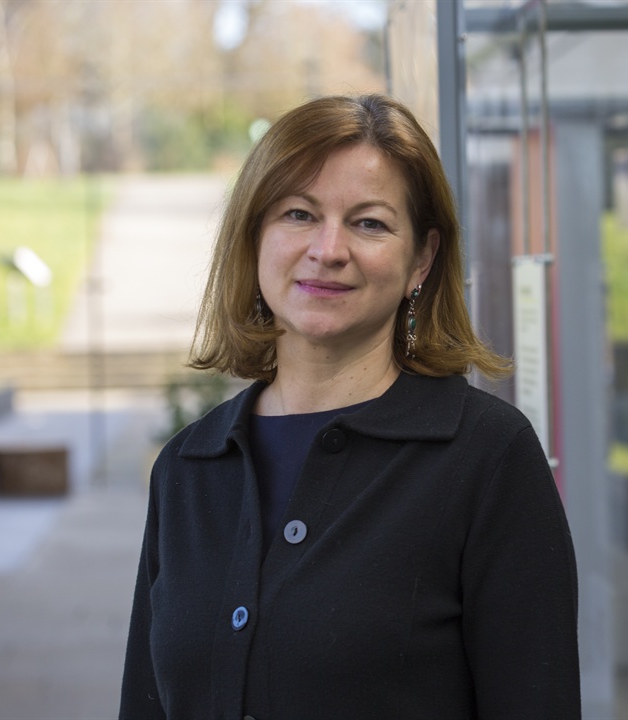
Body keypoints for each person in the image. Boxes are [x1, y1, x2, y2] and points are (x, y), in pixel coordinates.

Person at [119, 94, 581, 720]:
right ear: (254, 238)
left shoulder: (487, 457)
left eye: (369, 224)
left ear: (421, 259)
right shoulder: (188, 466)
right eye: (299, 214)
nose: (329, 248)